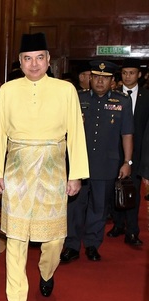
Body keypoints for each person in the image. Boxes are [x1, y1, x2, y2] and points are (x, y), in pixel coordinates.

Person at [0, 32, 89, 301]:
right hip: (17, 169)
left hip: (53, 169)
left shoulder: (65, 90)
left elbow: (76, 135)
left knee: (55, 238)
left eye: (39, 58)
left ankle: (47, 271)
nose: (34, 64)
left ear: (48, 60)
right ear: (19, 62)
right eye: (28, 59)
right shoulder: (7, 90)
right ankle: (16, 299)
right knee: (16, 237)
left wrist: (77, 174)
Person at [60, 61, 134, 263]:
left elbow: (127, 133)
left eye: (105, 77)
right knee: (74, 208)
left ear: (112, 81)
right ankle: (72, 245)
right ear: (90, 78)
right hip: (78, 165)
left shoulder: (123, 102)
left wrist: (127, 161)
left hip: (107, 164)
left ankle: (92, 245)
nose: (100, 81)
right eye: (96, 77)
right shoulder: (78, 98)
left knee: (99, 208)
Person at [107, 59, 149, 246]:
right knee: (114, 190)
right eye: (124, 73)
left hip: (138, 153)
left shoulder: (147, 97)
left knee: (133, 192)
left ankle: (132, 231)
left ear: (139, 75)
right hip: (114, 152)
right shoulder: (112, 96)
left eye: (132, 73)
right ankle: (118, 224)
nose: (128, 76)